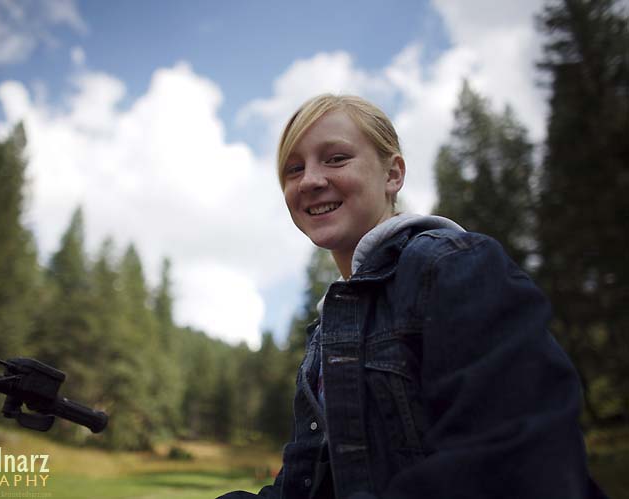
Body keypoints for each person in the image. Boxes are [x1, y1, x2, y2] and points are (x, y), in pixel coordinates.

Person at [218, 94, 606, 499]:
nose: (310, 180)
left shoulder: (453, 266)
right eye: (294, 169)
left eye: (336, 159)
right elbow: (305, 488)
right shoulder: (325, 335)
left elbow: (516, 456)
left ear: (393, 174)